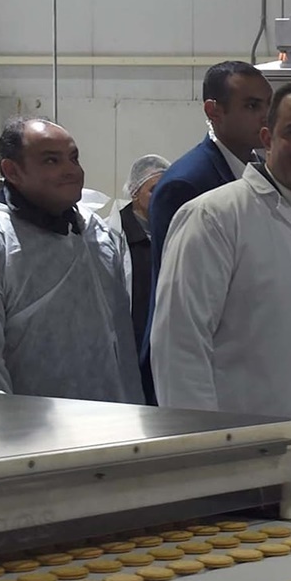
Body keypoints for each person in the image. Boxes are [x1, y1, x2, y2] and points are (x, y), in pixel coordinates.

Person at [151, 81, 291, 520]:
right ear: (266, 137)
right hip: (250, 456)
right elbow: (179, 347)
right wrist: (206, 456)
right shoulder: (214, 217)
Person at [0, 117, 143, 402]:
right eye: (51, 161)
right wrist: (4, 423)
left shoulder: (96, 232)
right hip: (24, 423)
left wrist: (134, 412)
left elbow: (122, 342)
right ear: (12, 170)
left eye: (74, 158)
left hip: (109, 418)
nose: (71, 170)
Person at [142, 61, 272, 399]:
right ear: (214, 111)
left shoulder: (258, 174)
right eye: (252, 106)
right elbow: (180, 304)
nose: (265, 117)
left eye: (267, 105)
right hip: (203, 366)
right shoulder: (187, 184)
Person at [120, 154, 168, 399]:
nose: (161, 198)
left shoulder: (172, 229)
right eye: (153, 190)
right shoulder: (115, 234)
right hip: (131, 342)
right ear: (135, 193)